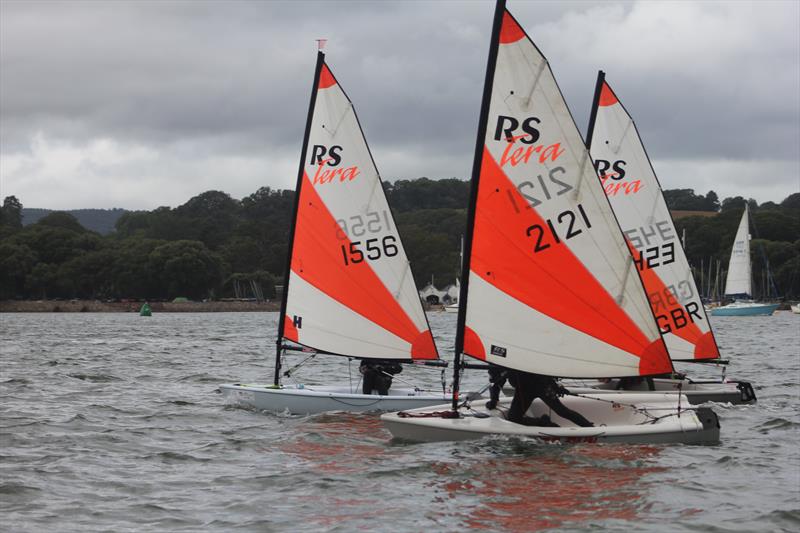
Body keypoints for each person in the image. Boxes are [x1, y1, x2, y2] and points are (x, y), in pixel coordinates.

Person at [506, 370, 593, 427]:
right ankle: (543, 422)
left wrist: (556, 388)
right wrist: (494, 399)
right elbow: (496, 382)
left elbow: (543, 372)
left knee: (562, 411)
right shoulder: (500, 362)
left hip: (542, 387)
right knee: (513, 418)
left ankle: (589, 427)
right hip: (523, 390)